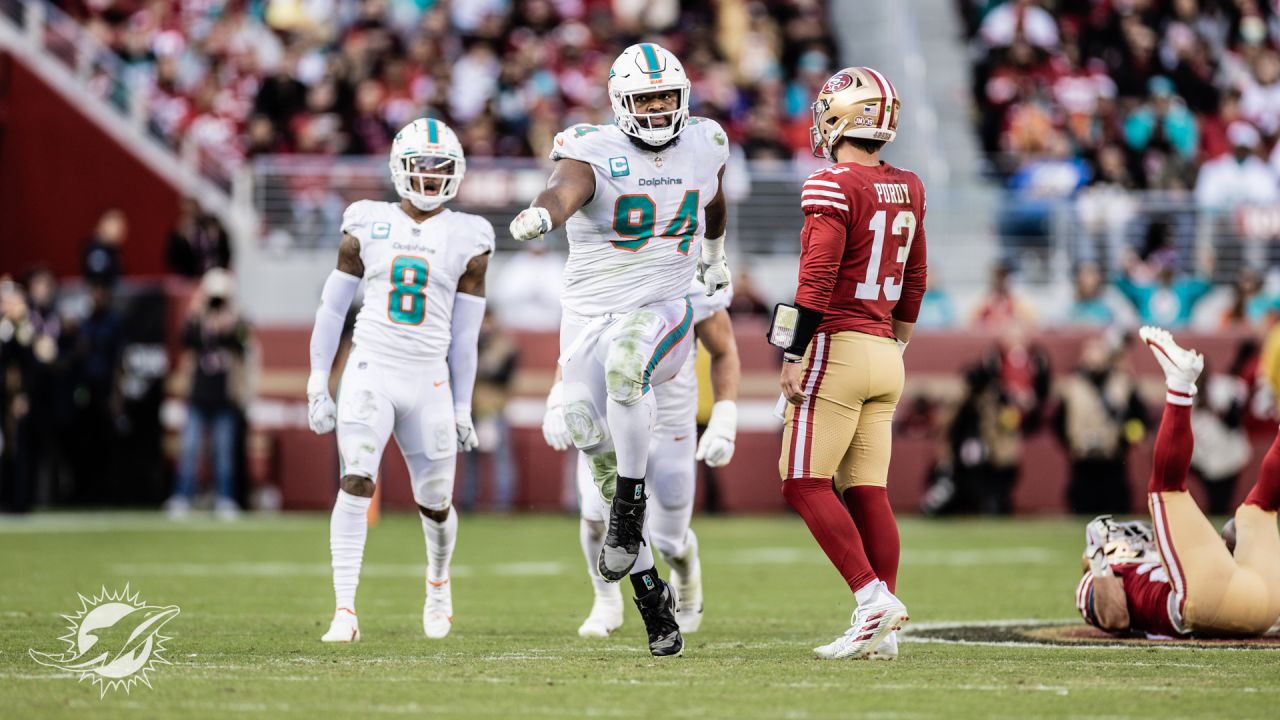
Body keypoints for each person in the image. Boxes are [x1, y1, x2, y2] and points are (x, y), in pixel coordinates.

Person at [509, 43, 732, 657]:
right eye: (646, 99)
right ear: (620, 105)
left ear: (683, 97)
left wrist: (713, 258)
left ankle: (634, 502)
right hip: (586, 319)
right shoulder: (591, 148)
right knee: (589, 434)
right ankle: (650, 599)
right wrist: (541, 215)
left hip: (663, 307)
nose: (659, 110)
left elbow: (713, 198)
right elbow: (563, 190)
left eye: (667, 97)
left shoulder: (706, 142)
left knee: (628, 363)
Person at [306, 118, 492, 644]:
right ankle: (345, 610)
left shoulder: (469, 236)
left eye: (442, 168)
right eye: (422, 166)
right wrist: (319, 379)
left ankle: (437, 583)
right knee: (357, 478)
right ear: (400, 168)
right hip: (371, 367)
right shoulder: (366, 222)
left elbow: (465, 337)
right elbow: (332, 306)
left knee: (435, 503)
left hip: (429, 377)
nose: (432, 177)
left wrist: (462, 406)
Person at [771, 66, 926, 660]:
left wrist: (793, 350)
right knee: (867, 490)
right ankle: (886, 630)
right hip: (887, 348)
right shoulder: (908, 185)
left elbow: (816, 279)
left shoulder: (831, 184)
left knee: (803, 482)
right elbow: (915, 276)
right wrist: (897, 342)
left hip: (838, 345)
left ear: (843, 116)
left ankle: (871, 600)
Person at [543, 277, 740, 639]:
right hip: (609, 413)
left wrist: (724, 415)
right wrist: (559, 392)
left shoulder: (684, 272)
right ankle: (606, 600)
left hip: (670, 419)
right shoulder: (603, 263)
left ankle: (685, 568)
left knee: (669, 540)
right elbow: (575, 344)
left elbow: (723, 348)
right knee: (595, 516)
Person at [1075, 327, 1280, 639]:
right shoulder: (1101, 575)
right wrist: (1098, 558)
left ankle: (1182, 384)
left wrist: (1230, 541)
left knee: (1261, 507)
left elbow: (1222, 555)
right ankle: (1180, 385)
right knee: (1166, 490)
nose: (1137, 540)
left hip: (1257, 599)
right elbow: (1116, 617)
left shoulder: (1164, 558)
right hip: (1209, 604)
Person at [164, 269, 251, 520]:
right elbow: (185, 340)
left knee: (223, 453)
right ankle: (182, 496)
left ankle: (225, 497)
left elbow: (243, 343)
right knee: (189, 448)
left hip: (224, 396)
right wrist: (199, 313)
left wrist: (229, 323)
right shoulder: (197, 320)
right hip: (198, 395)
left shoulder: (235, 321)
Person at [1054, 335, 1147, 515]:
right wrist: (1071, 443)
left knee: (1116, 511)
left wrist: (1126, 440)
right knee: (1083, 511)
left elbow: (1138, 416)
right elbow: (1059, 420)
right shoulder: (1073, 385)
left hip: (1113, 458)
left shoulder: (1122, 382)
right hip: (1082, 458)